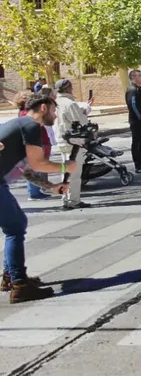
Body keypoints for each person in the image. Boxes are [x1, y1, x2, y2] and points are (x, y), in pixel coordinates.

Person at [0, 94, 75, 302]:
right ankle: (20, 286)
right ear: (43, 107)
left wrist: (51, 186)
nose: (55, 114)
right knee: (15, 227)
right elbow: (38, 164)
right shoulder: (32, 126)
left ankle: (11, 277)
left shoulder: (20, 124)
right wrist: (65, 167)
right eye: (53, 110)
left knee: (16, 224)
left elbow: (24, 170)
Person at [53, 79, 92, 209]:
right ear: (68, 88)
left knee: (65, 172)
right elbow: (81, 122)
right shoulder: (70, 104)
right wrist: (84, 113)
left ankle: (65, 198)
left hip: (61, 140)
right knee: (74, 173)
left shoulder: (55, 103)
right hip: (73, 142)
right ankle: (74, 200)